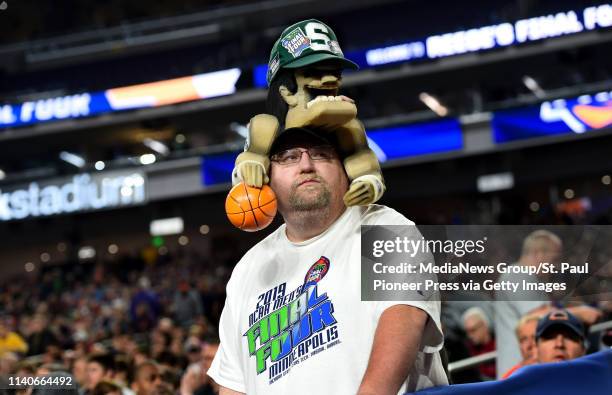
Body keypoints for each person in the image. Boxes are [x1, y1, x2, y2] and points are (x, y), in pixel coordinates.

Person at [208, 127, 447, 394]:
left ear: (346, 170)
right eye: (288, 157)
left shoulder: (385, 227)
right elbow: (233, 385)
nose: (306, 165)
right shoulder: (248, 269)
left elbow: (405, 320)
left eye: (321, 154)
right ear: (265, 178)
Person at [493, 230, 602, 378]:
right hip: (519, 371)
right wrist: (582, 312)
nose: (556, 266)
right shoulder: (517, 276)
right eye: (555, 259)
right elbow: (537, 316)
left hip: (526, 370)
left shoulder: (527, 278)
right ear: (539, 254)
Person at [501, 314, 539, 378]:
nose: (530, 344)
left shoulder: (556, 365)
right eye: (524, 339)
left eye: (534, 337)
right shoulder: (510, 377)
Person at [461, 307, 495, 379]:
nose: (469, 336)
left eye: (473, 330)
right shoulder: (466, 351)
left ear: (484, 325)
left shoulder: (499, 345)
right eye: (467, 332)